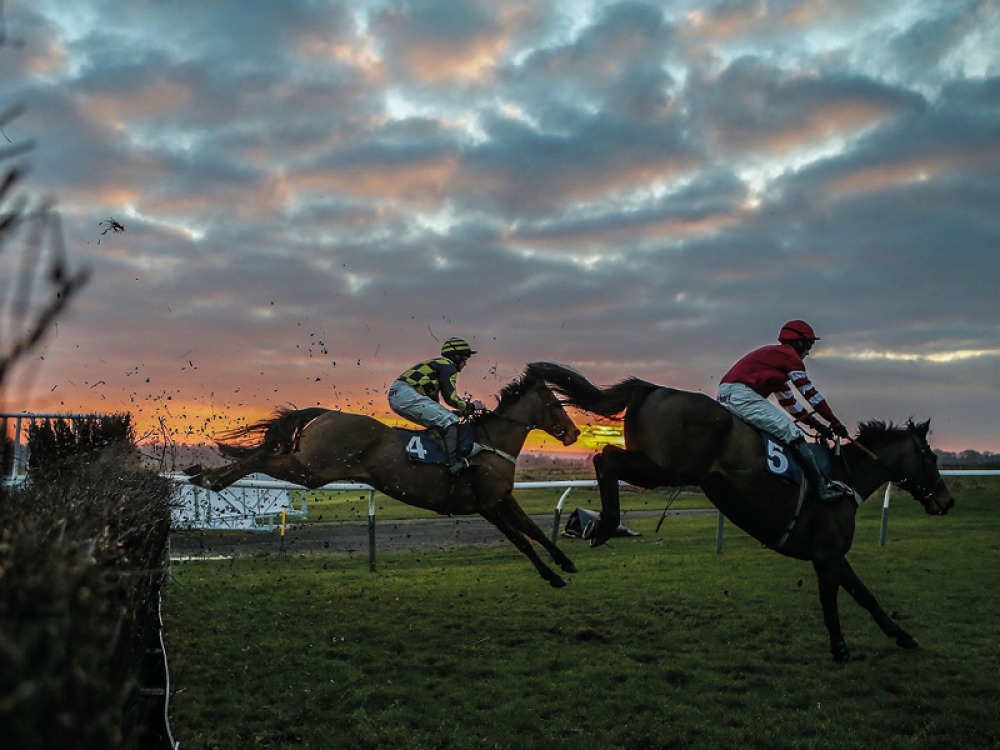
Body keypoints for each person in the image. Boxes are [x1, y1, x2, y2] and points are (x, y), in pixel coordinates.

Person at [717, 320, 850, 501]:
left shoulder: (774, 364)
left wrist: (819, 427)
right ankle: (822, 488)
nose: (808, 352)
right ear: (800, 343)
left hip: (726, 395)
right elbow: (811, 395)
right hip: (742, 395)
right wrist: (834, 422)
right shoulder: (789, 357)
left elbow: (792, 406)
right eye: (809, 345)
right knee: (792, 432)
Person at [388, 337, 485, 473]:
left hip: (400, 395)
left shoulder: (436, 368)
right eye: (465, 359)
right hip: (404, 394)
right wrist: (472, 406)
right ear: (456, 357)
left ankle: (433, 460)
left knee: (442, 422)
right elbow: (451, 399)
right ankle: (453, 464)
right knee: (449, 420)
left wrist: (457, 412)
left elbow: (435, 406)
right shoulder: (448, 366)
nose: (465, 364)